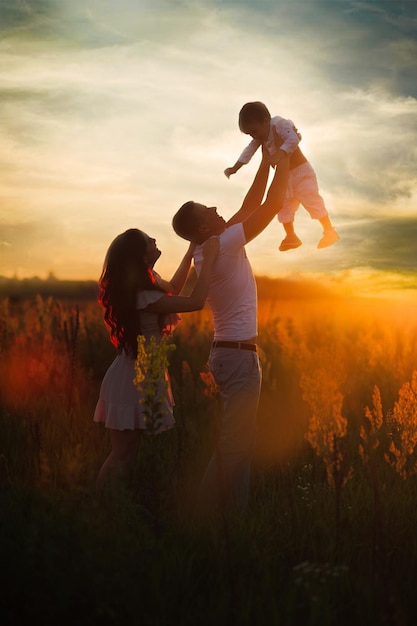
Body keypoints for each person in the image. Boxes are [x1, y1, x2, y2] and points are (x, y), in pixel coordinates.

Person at [172, 146, 289, 516]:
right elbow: (270, 207)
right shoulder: (223, 244)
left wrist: (265, 162)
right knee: (234, 445)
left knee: (240, 443)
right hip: (237, 357)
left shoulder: (212, 246)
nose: (215, 208)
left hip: (230, 354)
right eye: (207, 210)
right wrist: (284, 156)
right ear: (204, 227)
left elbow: (252, 200)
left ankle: (235, 519)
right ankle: (204, 519)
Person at [93, 228, 219, 492]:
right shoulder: (143, 296)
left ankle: (111, 508)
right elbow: (196, 301)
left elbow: (173, 288)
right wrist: (208, 256)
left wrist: (191, 250)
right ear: (141, 256)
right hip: (132, 380)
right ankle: (100, 507)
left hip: (137, 375)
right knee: (122, 455)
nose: (154, 240)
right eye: (148, 240)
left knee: (127, 454)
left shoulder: (147, 287)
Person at [224, 101, 340, 251]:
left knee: (311, 198)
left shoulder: (279, 124)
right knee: (283, 205)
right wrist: (236, 167)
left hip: (301, 171)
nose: (254, 136)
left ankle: (329, 231)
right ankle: (291, 236)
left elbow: (294, 139)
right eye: (250, 134)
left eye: (254, 131)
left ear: (265, 121)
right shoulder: (260, 136)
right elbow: (249, 150)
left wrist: (281, 152)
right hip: (285, 176)